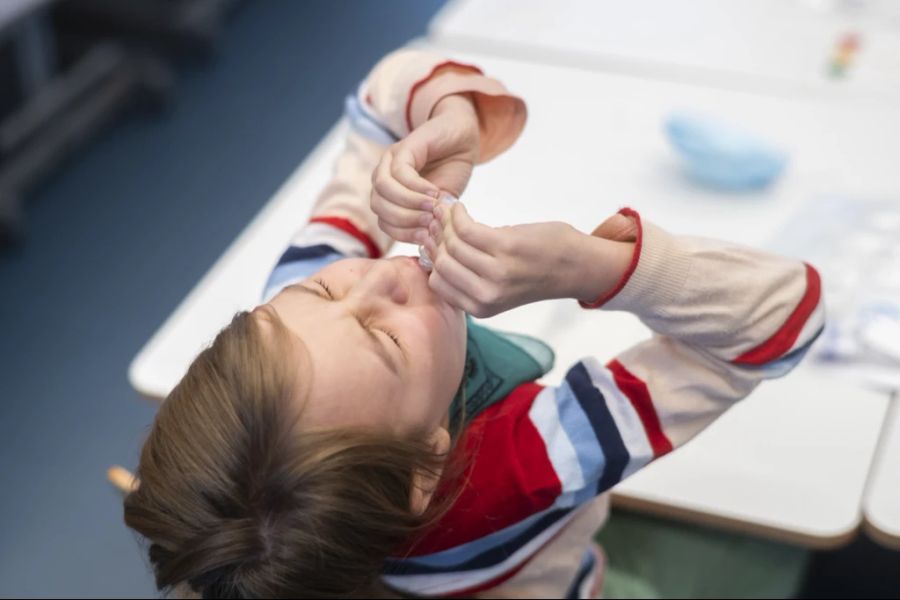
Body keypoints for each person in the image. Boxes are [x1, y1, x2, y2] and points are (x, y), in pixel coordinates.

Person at [123, 48, 824, 598]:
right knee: (770, 547)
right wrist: (592, 268)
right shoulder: (532, 463)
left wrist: (445, 115)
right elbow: (784, 316)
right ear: (428, 461)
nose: (382, 273)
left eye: (325, 290)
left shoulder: (294, 317)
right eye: (387, 337)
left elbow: (376, 104)